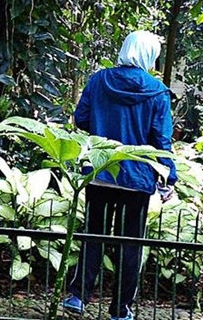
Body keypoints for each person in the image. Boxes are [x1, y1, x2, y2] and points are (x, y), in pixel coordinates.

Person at [62, 30, 178, 320]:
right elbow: (161, 139)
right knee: (130, 244)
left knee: (93, 234)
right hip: (137, 178)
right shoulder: (157, 91)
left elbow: (82, 118)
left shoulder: (99, 80)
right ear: (150, 54)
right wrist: (168, 178)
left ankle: (78, 296)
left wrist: (104, 129)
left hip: (101, 170)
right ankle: (120, 309)